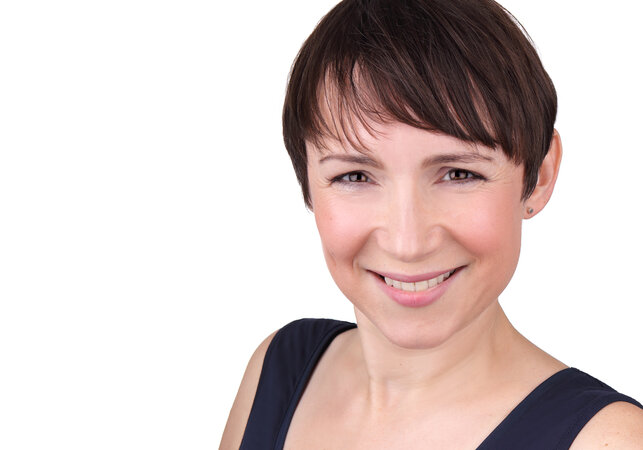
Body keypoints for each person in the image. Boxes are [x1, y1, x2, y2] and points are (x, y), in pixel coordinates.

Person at [220, 0, 643, 448]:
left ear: (538, 176)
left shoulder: (608, 440)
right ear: (305, 180)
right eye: (355, 176)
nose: (407, 243)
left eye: (459, 174)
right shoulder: (278, 369)